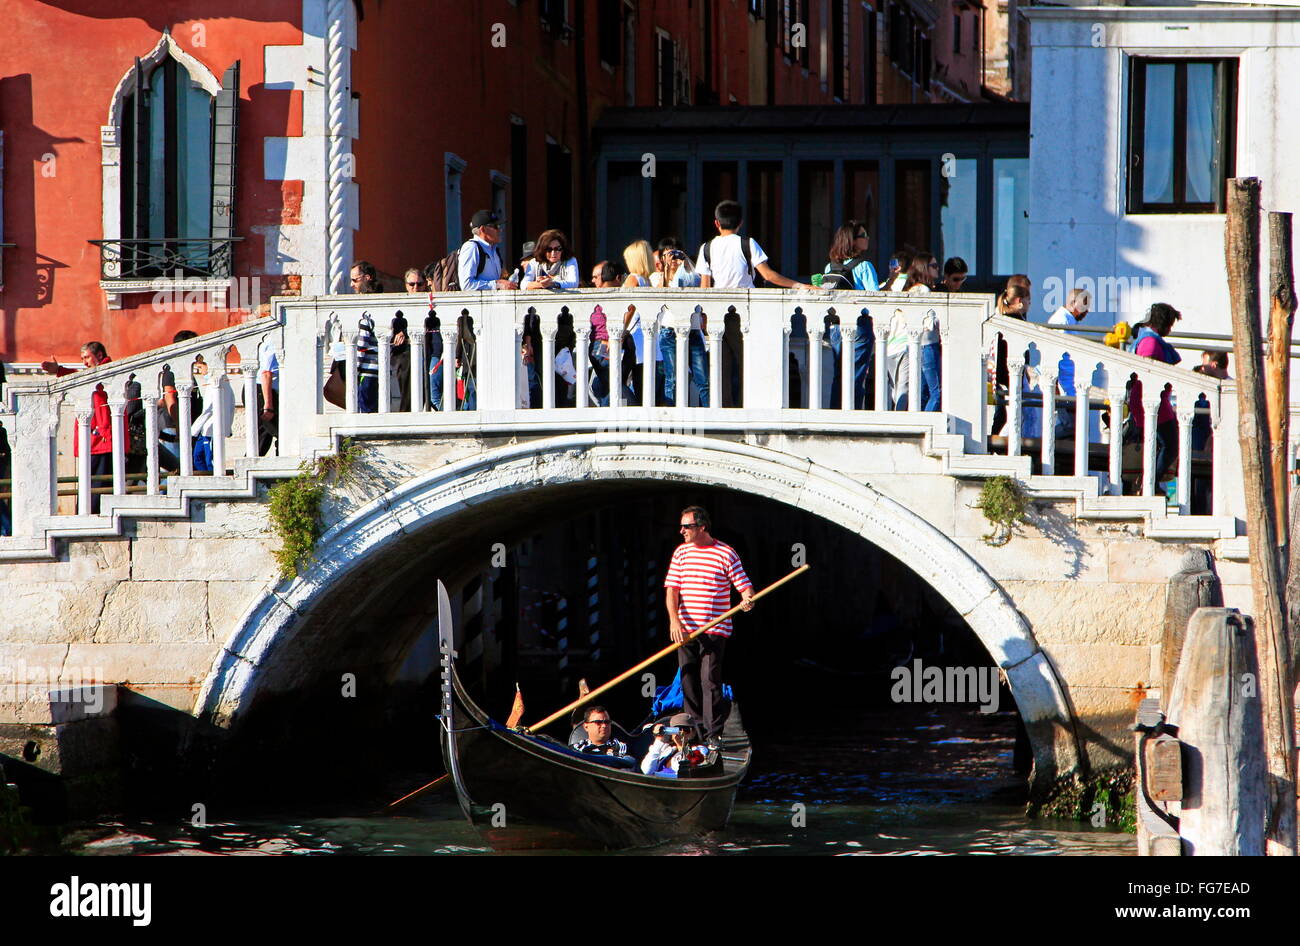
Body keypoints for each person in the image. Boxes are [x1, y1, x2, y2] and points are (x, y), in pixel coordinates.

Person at [664, 505, 754, 745]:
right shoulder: (681, 553)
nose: (681, 530)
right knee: (687, 679)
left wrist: (747, 599)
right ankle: (694, 729)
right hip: (685, 629)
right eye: (681, 526)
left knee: (709, 680)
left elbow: (744, 585)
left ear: (702, 527)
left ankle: (713, 734)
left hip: (715, 628)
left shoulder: (726, 553)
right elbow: (672, 590)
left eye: (687, 526)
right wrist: (675, 621)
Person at [41, 342, 118, 513]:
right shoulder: (94, 373)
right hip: (94, 439)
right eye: (82, 358)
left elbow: (86, 379)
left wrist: (61, 371)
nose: (84, 362)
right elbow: (81, 376)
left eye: (87, 357)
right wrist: (59, 370)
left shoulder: (108, 370)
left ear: (99, 355)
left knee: (97, 486)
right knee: (91, 484)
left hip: (101, 440)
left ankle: (90, 516)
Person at [1127, 302, 1183, 491]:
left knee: (1160, 445)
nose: (1170, 329)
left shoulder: (1147, 338)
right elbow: (1147, 371)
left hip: (1153, 401)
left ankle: (1151, 482)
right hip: (1151, 402)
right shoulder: (1150, 342)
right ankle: (1150, 482)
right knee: (1170, 445)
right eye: (1170, 325)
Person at [823, 222, 879, 410]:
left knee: (840, 374)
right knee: (856, 374)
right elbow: (875, 299)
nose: (868, 238)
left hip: (836, 327)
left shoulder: (829, 267)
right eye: (864, 235)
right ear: (853, 241)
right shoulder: (864, 266)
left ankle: (835, 413)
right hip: (859, 326)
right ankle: (852, 412)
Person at [657, 245, 709, 407]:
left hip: (693, 331)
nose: (673, 259)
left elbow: (700, 284)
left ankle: (709, 411)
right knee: (672, 378)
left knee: (703, 379)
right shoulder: (659, 277)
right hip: (669, 331)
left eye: (676, 255)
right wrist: (666, 270)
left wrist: (685, 262)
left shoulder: (690, 275)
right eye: (667, 255)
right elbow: (658, 294)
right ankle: (671, 414)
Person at [989, 284, 1031, 435]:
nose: (1029, 305)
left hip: (1002, 376)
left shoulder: (1004, 318)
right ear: (1020, 301)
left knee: (1002, 414)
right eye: (1028, 301)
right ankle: (997, 444)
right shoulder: (1014, 321)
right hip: (1009, 376)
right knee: (1013, 416)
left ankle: (994, 444)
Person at [621, 240, 655, 404]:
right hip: (645, 337)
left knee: (617, 380)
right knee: (642, 381)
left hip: (632, 337)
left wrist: (619, 331)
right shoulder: (647, 281)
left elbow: (628, 309)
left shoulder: (633, 279)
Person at [459, 209, 517, 292]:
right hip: (477, 304)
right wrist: (497, 284)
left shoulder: (494, 249)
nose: (500, 230)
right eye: (495, 226)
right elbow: (466, 285)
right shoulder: (471, 247)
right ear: (483, 229)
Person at [641, 713, 714, 777]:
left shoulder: (699, 750)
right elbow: (646, 771)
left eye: (686, 730)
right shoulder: (666, 749)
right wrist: (659, 741)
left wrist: (683, 747)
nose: (681, 733)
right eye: (676, 729)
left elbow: (685, 773)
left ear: (693, 732)